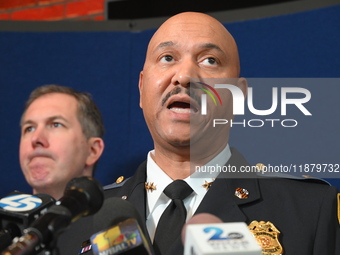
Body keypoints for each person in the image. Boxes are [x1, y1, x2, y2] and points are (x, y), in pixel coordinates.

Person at [56, 12, 339, 255]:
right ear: (142, 88)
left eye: (210, 60)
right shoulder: (78, 220)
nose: (184, 75)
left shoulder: (310, 210)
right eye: (167, 57)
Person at [19, 85, 105, 200]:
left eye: (56, 125)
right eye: (29, 128)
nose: (36, 139)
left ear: (92, 151)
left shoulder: (122, 217)